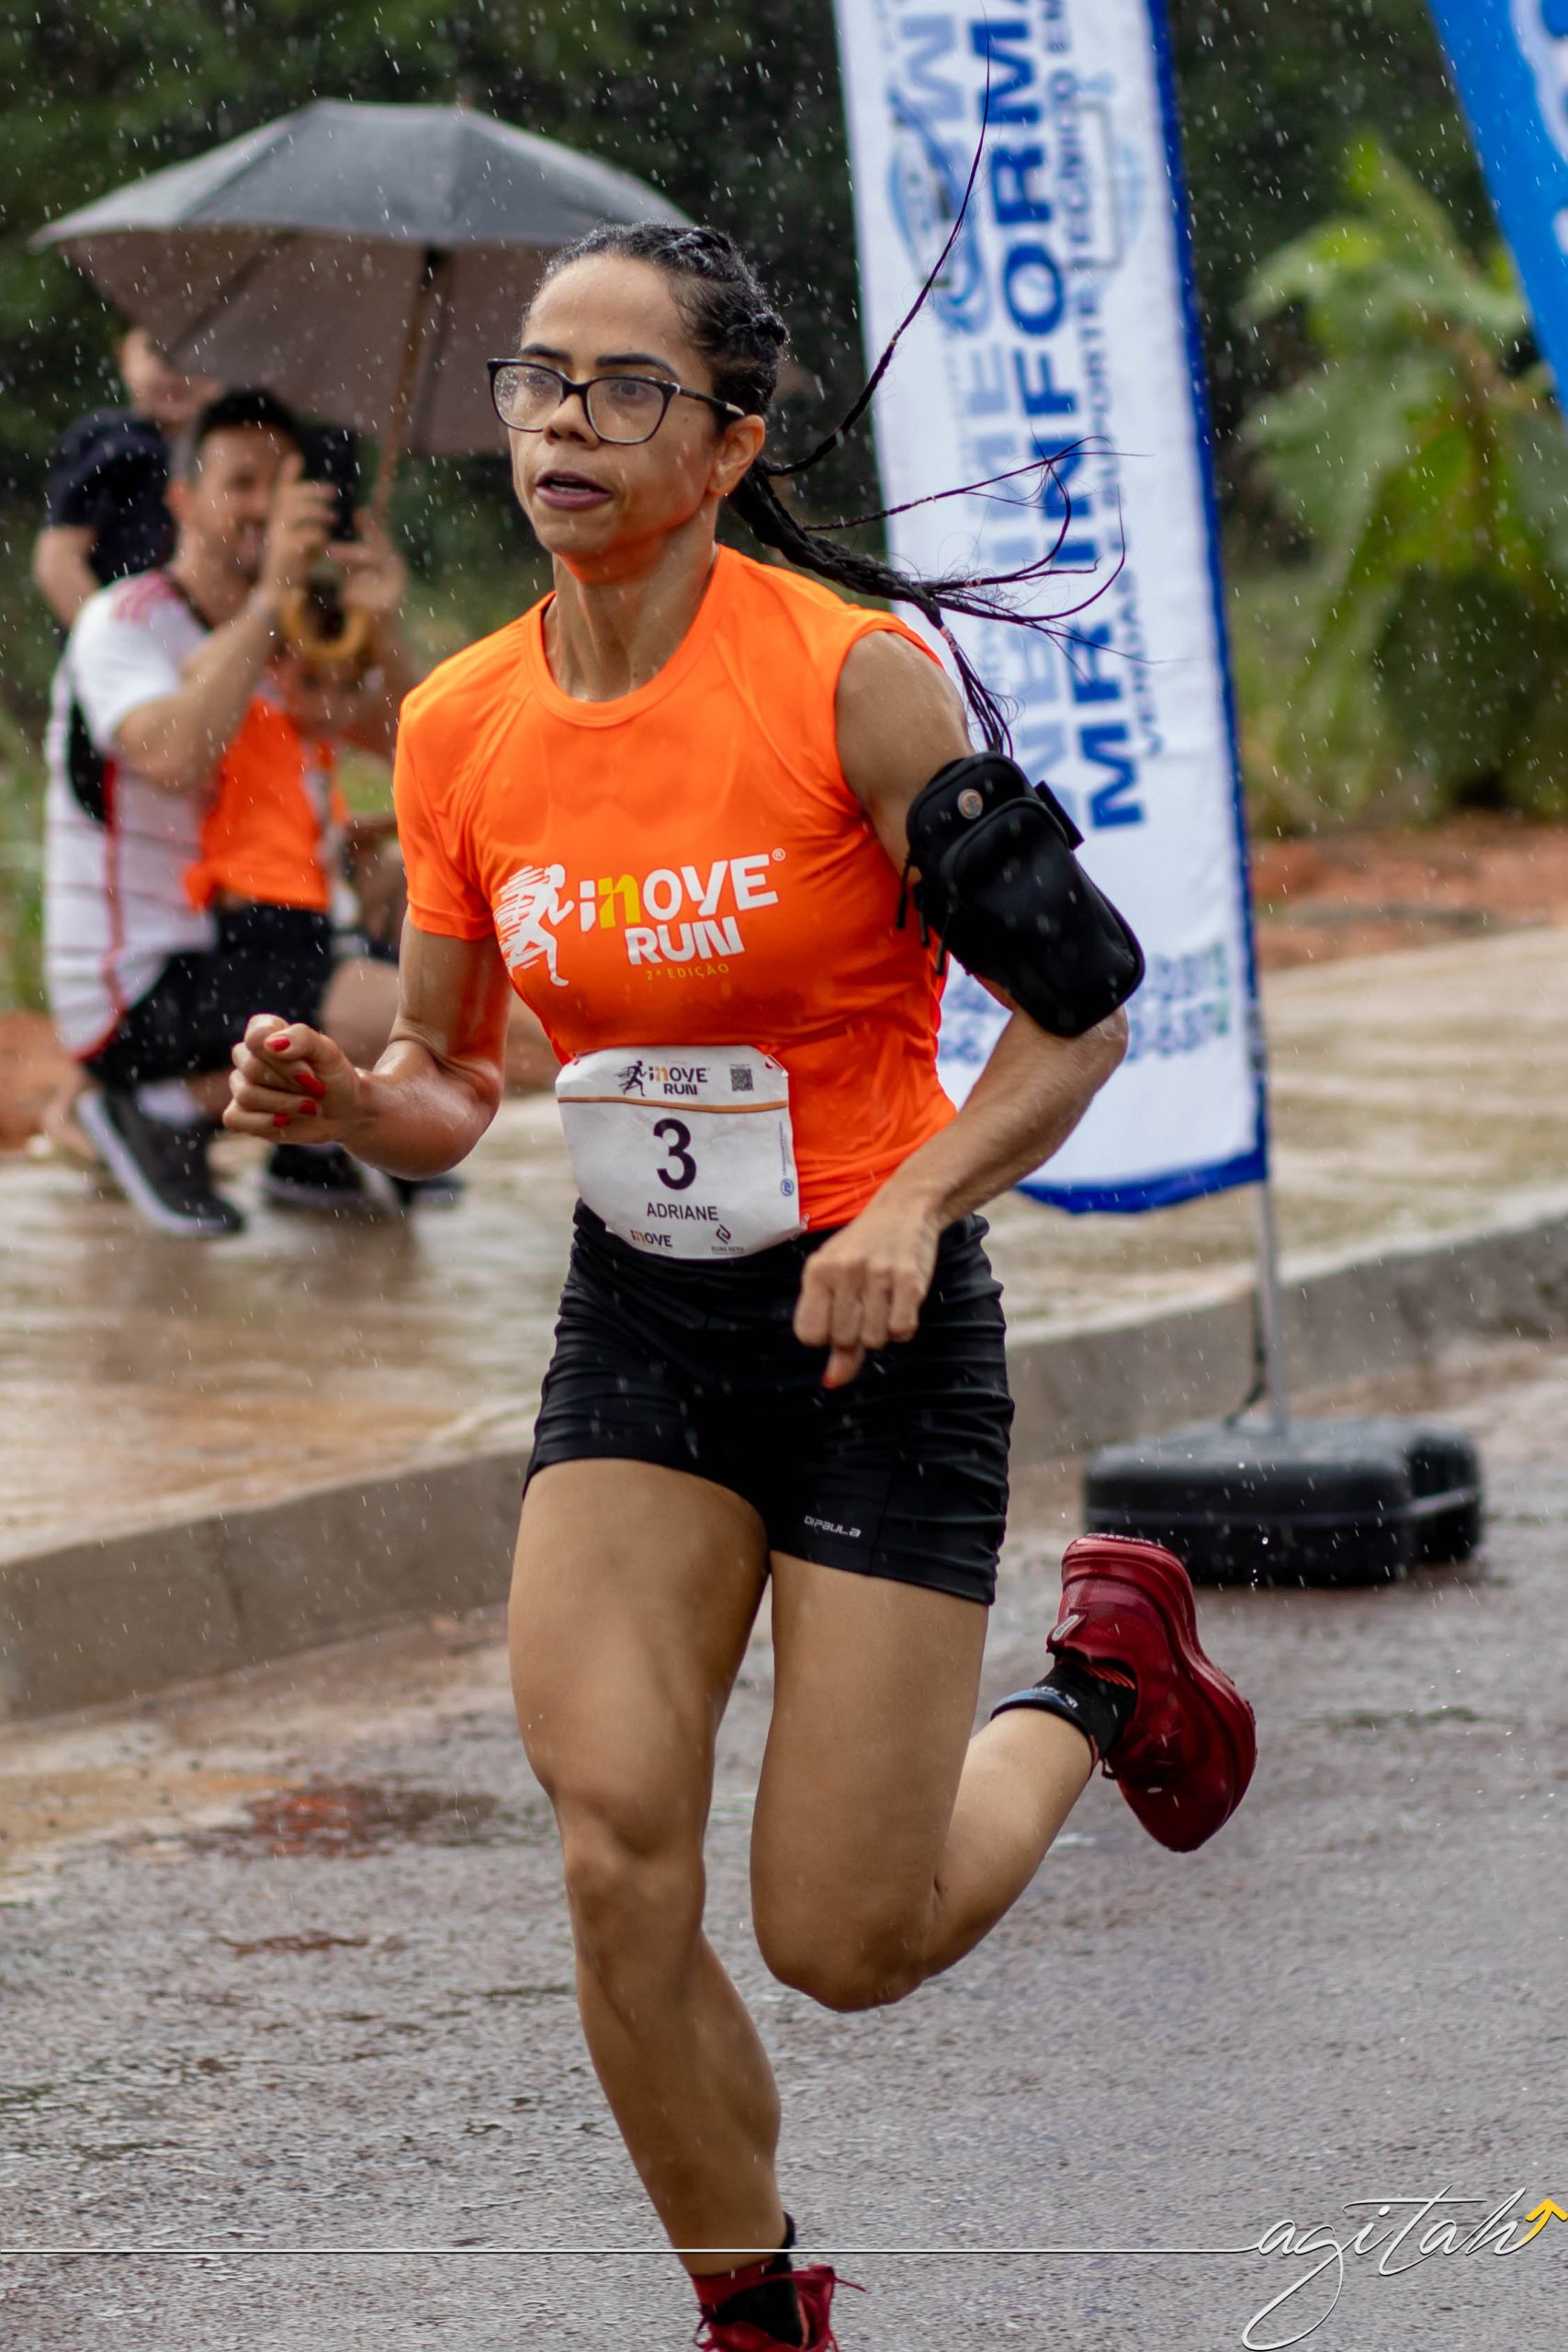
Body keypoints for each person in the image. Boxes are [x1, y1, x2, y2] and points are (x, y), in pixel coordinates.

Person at [226, 223, 1256, 2350]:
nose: (565, 422)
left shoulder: (846, 682)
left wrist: (915, 1204)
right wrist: (344, 1096)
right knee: (614, 1846)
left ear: (726, 445)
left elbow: (1076, 1009)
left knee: (842, 1937)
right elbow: (453, 1083)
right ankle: (752, 2304)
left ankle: (1095, 1681)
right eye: (537, 379)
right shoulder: (459, 723)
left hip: (875, 1338)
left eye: (625, 389)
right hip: (644, 1330)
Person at [43, 388, 423, 1236]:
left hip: (258, 939)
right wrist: (268, 601)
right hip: (140, 980)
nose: (265, 508)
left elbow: (430, 750)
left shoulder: (296, 632)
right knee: (420, 1018)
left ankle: (308, 1146)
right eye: (241, 483)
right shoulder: (122, 620)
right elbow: (175, 756)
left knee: (429, 916)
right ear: (182, 500)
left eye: (282, 485)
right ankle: (162, 1107)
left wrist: (386, 627)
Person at [32, 327, 220, 628]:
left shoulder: (233, 452)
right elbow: (58, 561)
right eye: (156, 351)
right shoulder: (112, 442)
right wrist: (110, 639)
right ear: (122, 357)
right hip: (127, 629)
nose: (174, 371)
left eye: (192, 356)